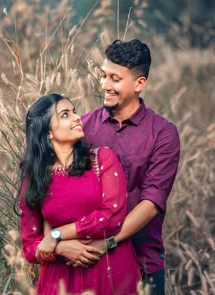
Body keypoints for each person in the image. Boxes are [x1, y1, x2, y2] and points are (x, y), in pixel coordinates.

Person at [79, 39, 180, 294]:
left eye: (115, 78)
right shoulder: (84, 126)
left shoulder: (163, 134)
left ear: (139, 84)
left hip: (143, 261)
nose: (104, 85)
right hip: (88, 261)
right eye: (103, 76)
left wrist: (108, 241)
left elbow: (152, 202)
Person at [19, 93, 141, 295]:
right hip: (60, 279)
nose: (77, 117)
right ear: (48, 131)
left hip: (109, 269)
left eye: (74, 111)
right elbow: (30, 247)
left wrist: (57, 235)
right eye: (65, 114)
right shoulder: (35, 179)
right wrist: (61, 248)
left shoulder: (101, 159)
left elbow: (111, 217)